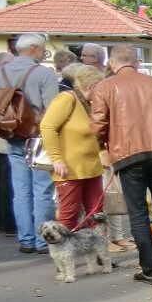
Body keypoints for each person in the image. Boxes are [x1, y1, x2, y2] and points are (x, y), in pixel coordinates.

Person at [89, 45, 152, 284]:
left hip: (128, 156)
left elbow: (98, 126)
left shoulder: (105, 87)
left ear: (112, 64)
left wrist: (104, 146)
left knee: (138, 214)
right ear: (137, 62)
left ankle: (150, 270)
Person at [2, 33, 59, 253]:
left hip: (12, 135)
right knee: (42, 189)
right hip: (39, 137)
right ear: (34, 48)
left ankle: (25, 240)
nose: (44, 53)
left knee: (21, 190)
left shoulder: (1, 72)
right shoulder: (44, 74)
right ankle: (42, 241)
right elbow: (53, 111)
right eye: (43, 49)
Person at [79, 42, 133, 251]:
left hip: (110, 151)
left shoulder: (101, 98)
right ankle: (105, 239)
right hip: (94, 154)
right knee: (102, 200)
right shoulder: (79, 102)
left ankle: (118, 236)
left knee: (114, 197)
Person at [39, 65, 106, 230]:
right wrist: (56, 159)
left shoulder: (89, 104)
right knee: (69, 216)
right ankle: (64, 248)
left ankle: (98, 246)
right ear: (92, 86)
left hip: (91, 168)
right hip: (69, 169)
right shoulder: (67, 99)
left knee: (96, 215)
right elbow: (47, 127)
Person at [0, 52, 15, 236]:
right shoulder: (5, 85)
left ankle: (4, 220)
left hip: (1, 139)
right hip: (4, 139)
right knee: (6, 182)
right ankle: (7, 222)